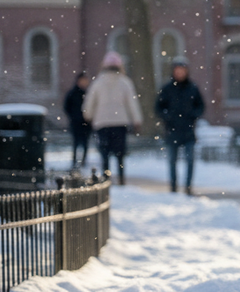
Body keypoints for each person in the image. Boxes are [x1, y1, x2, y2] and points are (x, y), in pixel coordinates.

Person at [83, 51, 142, 185]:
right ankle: (121, 178)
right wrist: (137, 120)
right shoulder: (125, 82)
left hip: (102, 122)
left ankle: (106, 178)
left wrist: (88, 115)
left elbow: (90, 102)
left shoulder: (98, 82)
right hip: (120, 122)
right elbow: (132, 103)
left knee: (105, 153)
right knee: (120, 153)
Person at [156, 56, 205, 195]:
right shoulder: (167, 89)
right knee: (172, 161)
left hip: (188, 130)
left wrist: (192, 115)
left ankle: (188, 186)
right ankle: (173, 187)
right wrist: (168, 116)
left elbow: (200, 106)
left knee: (190, 160)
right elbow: (158, 107)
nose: (180, 73)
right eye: (177, 70)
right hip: (172, 130)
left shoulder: (193, 88)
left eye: (182, 70)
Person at [63, 72, 92, 169]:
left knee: (85, 143)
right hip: (76, 122)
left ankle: (83, 161)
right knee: (76, 143)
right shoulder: (73, 93)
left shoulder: (88, 93)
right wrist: (73, 116)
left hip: (86, 122)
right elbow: (67, 107)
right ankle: (75, 161)